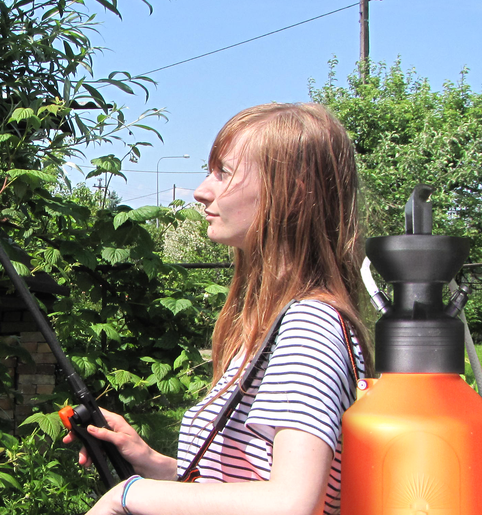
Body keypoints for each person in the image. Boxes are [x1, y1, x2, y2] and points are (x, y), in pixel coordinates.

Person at [66, 103, 373, 515]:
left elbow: (291, 502)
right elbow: (244, 487)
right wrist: (151, 462)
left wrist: (130, 495)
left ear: (294, 190)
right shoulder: (277, 322)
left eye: (223, 173)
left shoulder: (309, 324)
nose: (201, 190)